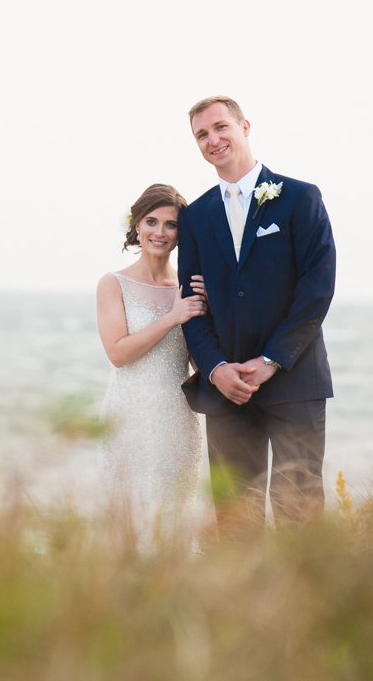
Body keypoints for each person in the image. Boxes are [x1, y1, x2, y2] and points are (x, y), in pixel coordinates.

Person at [176, 96, 336, 527]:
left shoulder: (300, 198)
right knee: (234, 518)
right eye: (202, 135)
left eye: (220, 127)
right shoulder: (195, 217)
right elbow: (191, 305)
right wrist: (214, 369)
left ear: (245, 127)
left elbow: (316, 292)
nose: (213, 140)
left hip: (294, 380)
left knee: (299, 512)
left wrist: (270, 362)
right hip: (227, 391)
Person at [95, 183, 209, 539]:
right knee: (126, 523)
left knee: (172, 520)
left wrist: (209, 311)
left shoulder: (189, 288)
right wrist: (173, 316)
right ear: (137, 226)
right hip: (128, 415)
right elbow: (118, 353)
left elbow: (197, 362)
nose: (160, 232)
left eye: (170, 225)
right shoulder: (113, 284)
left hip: (177, 419)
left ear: (180, 233)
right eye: (151, 221)